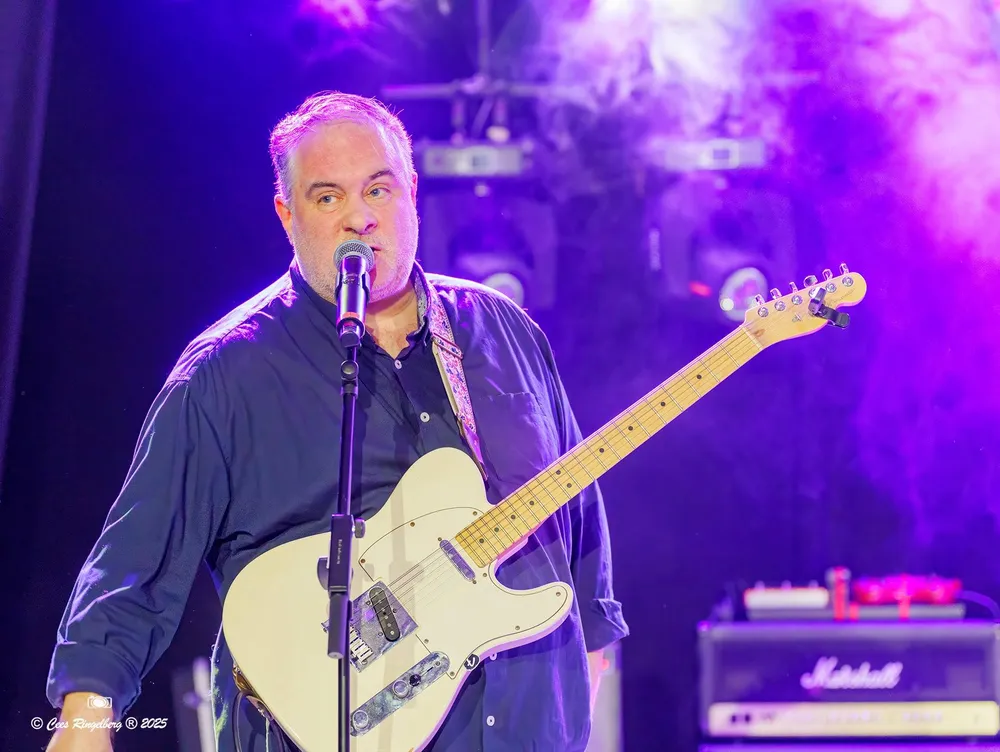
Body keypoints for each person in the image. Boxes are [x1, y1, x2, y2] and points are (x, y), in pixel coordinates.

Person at [45, 91, 628, 752]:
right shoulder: (226, 374)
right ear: (287, 216)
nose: (359, 216)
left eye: (379, 189)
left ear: (411, 192)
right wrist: (84, 723)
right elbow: (135, 562)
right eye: (328, 197)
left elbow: (578, 515)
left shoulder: (502, 330)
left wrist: (587, 669)